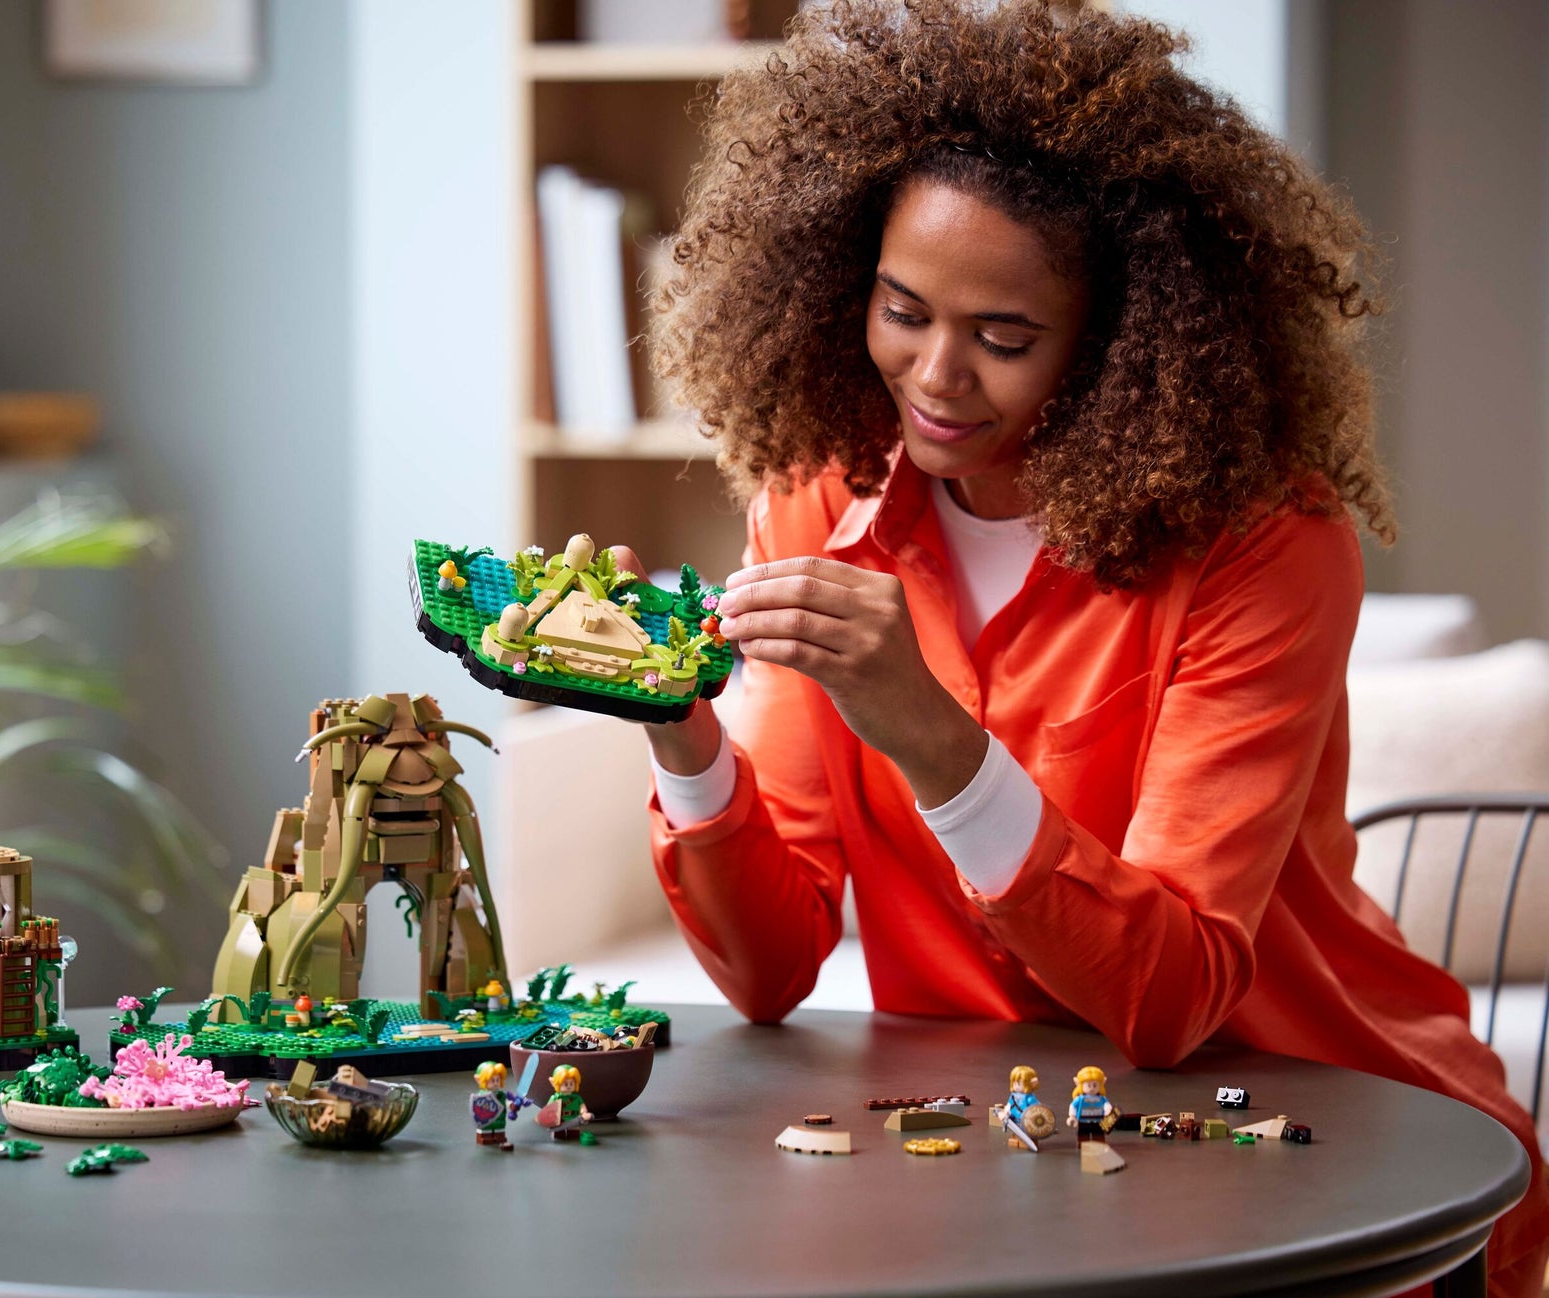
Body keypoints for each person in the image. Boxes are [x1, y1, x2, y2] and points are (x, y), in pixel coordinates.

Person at [628, 1, 1547, 1290]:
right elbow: (773, 967)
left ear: (1119, 341)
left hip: (1322, 1136)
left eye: (1004, 338)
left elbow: (1172, 998)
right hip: (985, 1153)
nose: (935, 376)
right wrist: (677, 724)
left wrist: (932, 735)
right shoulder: (817, 493)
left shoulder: (1261, 540)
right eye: (902, 311)